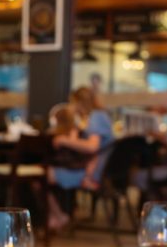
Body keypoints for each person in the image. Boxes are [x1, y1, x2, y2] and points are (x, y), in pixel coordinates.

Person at [45, 87, 115, 230]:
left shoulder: (96, 116)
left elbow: (92, 147)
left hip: (94, 174)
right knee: (48, 172)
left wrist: (64, 140)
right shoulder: (100, 116)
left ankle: (57, 216)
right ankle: (61, 214)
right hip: (100, 171)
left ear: (79, 102)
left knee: (43, 175)